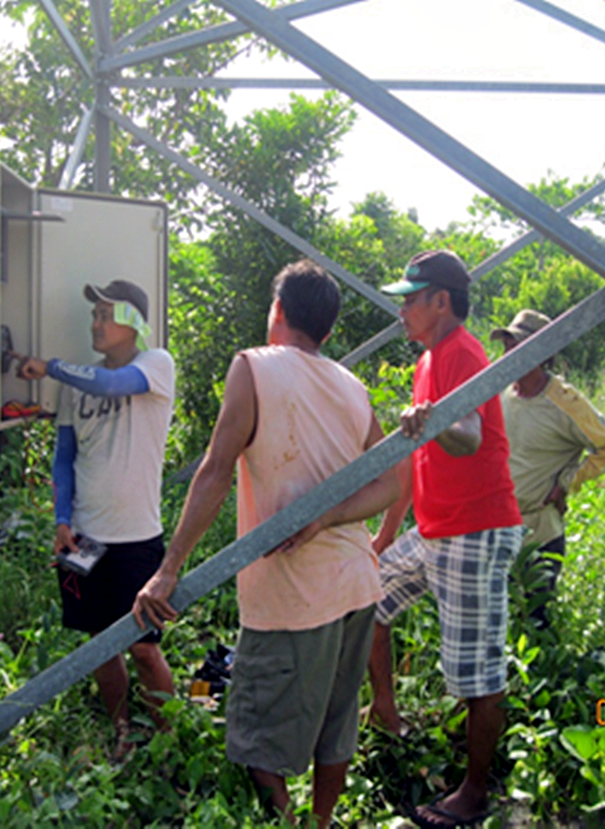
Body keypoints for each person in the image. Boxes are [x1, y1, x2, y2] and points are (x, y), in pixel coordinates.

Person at [133, 260, 399, 828]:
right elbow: (394, 481)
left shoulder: (255, 366)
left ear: (277, 311)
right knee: (337, 721)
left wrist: (169, 567)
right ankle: (321, 822)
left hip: (295, 596)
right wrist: (333, 516)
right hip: (356, 584)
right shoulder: (351, 387)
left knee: (251, 736)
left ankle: (287, 822)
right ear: (327, 330)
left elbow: (215, 470)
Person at [367, 249, 523, 829]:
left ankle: (475, 791)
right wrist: (389, 533)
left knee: (474, 671)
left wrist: (434, 419)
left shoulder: (465, 354)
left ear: (442, 301)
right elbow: (418, 456)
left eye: (411, 298)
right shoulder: (430, 358)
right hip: (435, 530)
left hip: (474, 530)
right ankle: (385, 712)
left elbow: (468, 435)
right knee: (367, 598)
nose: (402, 308)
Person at [15, 279, 175, 762]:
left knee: (144, 649)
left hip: (136, 539)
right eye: (94, 315)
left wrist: (50, 367)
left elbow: (110, 383)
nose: (96, 324)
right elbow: (64, 459)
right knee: (100, 646)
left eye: (106, 314)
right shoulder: (73, 388)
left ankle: (165, 739)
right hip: (83, 540)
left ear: (134, 323)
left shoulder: (156, 364)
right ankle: (124, 733)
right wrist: (61, 520)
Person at [490, 309, 605, 627]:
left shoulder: (564, 401)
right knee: (501, 626)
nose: (509, 354)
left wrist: (567, 481)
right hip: (497, 528)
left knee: (535, 625)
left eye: (519, 347)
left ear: (543, 353)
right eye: (508, 346)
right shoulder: (503, 392)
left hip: (538, 535)